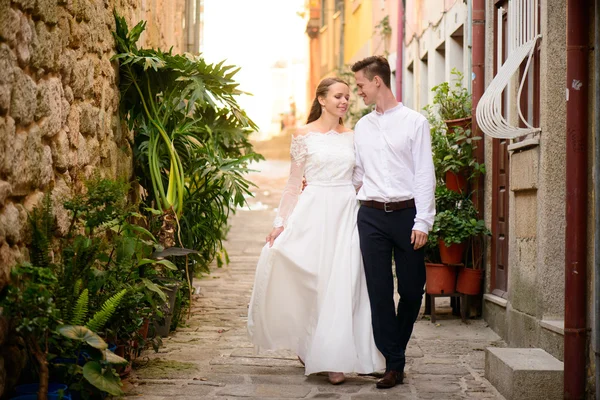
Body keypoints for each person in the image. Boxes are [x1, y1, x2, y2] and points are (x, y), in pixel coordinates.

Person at [247, 77, 385, 385]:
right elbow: (294, 184)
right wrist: (279, 223)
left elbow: (362, 176)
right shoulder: (303, 135)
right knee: (312, 278)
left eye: (348, 96)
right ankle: (309, 343)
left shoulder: (353, 136)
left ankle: (336, 358)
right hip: (312, 211)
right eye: (338, 96)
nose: (344, 101)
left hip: (346, 212)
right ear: (321, 99)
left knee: (344, 281)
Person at [351, 56, 436, 389]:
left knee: (413, 290)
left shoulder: (415, 122)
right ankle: (395, 364)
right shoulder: (362, 126)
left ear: (377, 82)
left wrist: (423, 221)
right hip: (370, 215)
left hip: (406, 215)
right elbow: (357, 174)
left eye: (360, 85)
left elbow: (423, 175)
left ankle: (394, 351)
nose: (357, 92)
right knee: (379, 292)